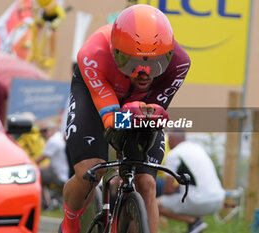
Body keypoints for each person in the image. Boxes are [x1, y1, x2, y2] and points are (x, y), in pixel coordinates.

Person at [61, 4, 191, 233]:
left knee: (147, 183)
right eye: (133, 63)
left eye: (156, 64)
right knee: (91, 171)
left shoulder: (180, 63)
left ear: (168, 56)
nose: (145, 73)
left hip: (141, 107)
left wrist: (142, 114)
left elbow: (154, 115)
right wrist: (129, 112)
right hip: (96, 100)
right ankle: (70, 225)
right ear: (116, 53)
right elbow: (111, 119)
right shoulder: (92, 54)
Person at [157, 130, 225, 233]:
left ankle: (194, 222)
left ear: (171, 139)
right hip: (218, 200)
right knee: (186, 193)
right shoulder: (197, 148)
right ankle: (194, 227)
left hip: (199, 202)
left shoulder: (174, 155)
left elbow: (168, 190)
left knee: (155, 203)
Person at [36, 119, 69, 209]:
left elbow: (38, 160)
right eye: (40, 132)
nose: (42, 134)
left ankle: (46, 203)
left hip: (62, 177)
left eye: (44, 131)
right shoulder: (59, 138)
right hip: (65, 174)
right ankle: (50, 200)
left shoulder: (53, 141)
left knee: (37, 174)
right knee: (42, 171)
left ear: (52, 129)